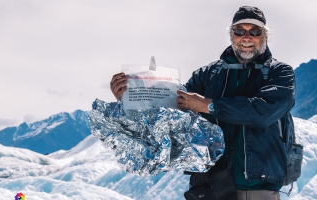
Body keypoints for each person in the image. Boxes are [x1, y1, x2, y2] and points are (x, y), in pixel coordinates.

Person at [110, 6, 295, 200]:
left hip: (257, 188)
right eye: (239, 31)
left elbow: (262, 112)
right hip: (209, 186)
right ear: (232, 35)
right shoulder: (208, 74)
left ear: (265, 36)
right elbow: (173, 110)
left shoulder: (280, 72)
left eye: (255, 31)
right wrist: (131, 97)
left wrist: (209, 106)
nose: (246, 37)